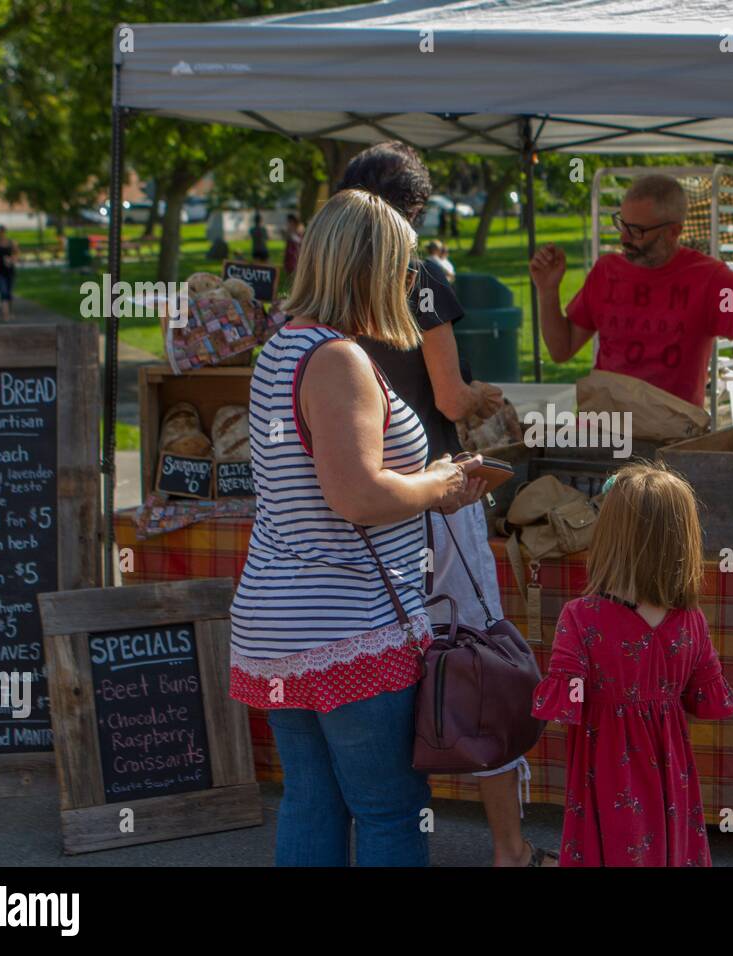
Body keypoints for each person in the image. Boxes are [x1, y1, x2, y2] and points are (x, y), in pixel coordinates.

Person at [228, 189, 487, 867]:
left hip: (282, 622)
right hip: (347, 622)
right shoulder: (338, 359)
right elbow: (357, 497)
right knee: (390, 811)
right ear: (371, 269)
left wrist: (432, 484)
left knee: (312, 800)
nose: (413, 285)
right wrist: (441, 484)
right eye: (406, 269)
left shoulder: (283, 348)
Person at [337, 142, 557, 867]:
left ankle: (380, 826)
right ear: (413, 212)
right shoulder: (419, 277)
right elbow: (449, 396)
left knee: (383, 664)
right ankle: (507, 846)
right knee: (475, 652)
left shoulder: (323, 282)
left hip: (352, 501)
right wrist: (490, 398)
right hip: (434, 490)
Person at [531, 462, 733, 866]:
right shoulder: (691, 622)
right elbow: (704, 698)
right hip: (670, 772)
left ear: (608, 536)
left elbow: (562, 705)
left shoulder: (580, 617)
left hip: (604, 772)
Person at [530, 173, 733, 447]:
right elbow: (561, 349)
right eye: (623, 224)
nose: (624, 239)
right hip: (599, 437)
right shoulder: (607, 271)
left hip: (667, 445)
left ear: (674, 231)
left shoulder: (711, 281)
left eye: (638, 231)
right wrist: (547, 291)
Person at [282, 213, 303, 277]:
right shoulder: (289, 229)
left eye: (289, 221)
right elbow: (287, 241)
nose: (288, 223)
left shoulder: (299, 228)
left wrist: (292, 236)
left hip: (295, 253)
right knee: (289, 270)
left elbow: (300, 241)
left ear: (293, 221)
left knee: (294, 270)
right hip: (289, 253)